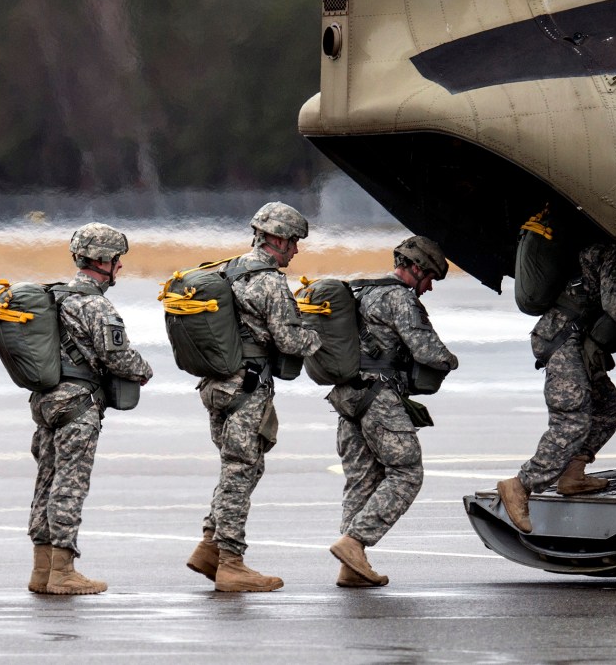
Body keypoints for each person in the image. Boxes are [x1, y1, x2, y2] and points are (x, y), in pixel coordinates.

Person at [185, 202, 321, 592]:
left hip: (217, 386)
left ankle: (209, 547)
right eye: (293, 241)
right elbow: (289, 339)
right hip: (246, 387)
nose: (295, 250)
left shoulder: (228, 270)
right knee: (241, 470)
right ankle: (231, 562)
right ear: (275, 238)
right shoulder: (269, 281)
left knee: (239, 467)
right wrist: (319, 337)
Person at [325, 236, 458, 587]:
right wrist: (451, 361)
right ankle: (354, 542)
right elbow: (428, 350)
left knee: (361, 480)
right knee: (407, 472)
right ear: (415, 268)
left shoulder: (360, 291)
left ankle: (351, 567)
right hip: (379, 397)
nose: (428, 287)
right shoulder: (400, 298)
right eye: (429, 278)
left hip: (348, 396)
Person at [27, 223, 152, 595]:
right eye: (117, 260)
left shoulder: (54, 297)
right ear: (103, 261)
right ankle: (63, 571)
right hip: (78, 406)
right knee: (70, 484)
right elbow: (117, 356)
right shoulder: (95, 304)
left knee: (46, 482)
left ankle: (41, 570)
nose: (120, 268)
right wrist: (144, 370)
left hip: (47, 402)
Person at [497, 243, 616, 534]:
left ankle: (572, 473)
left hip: (573, 339)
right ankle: (520, 485)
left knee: (607, 405)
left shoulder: (603, 247)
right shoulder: (612, 251)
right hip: (563, 339)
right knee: (572, 420)